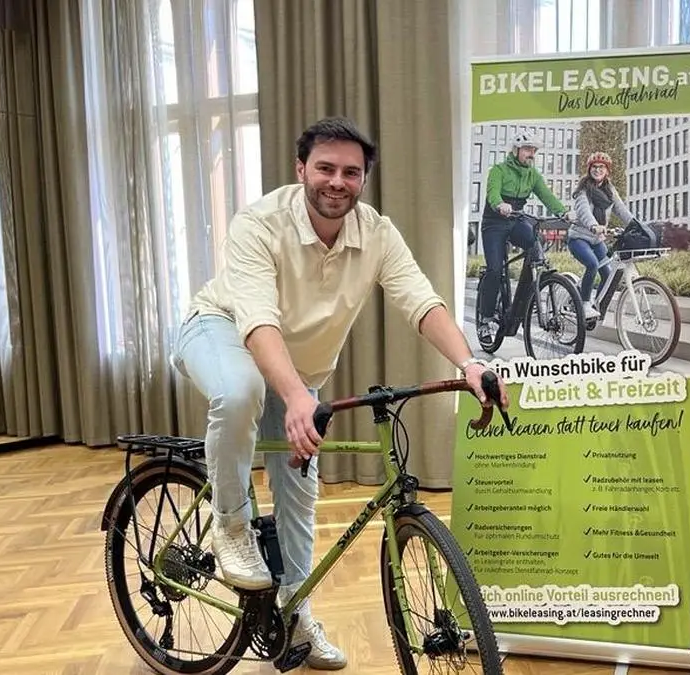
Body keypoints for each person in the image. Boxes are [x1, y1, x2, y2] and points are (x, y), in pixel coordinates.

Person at [171, 116, 506, 670]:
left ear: (363, 179)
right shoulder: (259, 223)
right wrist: (296, 396)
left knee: (299, 498)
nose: (337, 181)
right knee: (240, 389)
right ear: (301, 169)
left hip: (298, 371)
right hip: (221, 328)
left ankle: (295, 614)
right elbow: (257, 319)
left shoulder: (376, 233)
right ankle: (230, 525)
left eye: (351, 172)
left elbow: (421, 301)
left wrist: (469, 363)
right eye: (325, 168)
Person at [476, 131, 573, 341]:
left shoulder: (533, 175)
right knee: (495, 270)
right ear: (516, 150)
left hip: (516, 219)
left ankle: (528, 294)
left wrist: (563, 212)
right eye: (528, 149)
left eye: (534, 150)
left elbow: (546, 196)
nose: (532, 154)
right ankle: (485, 320)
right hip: (494, 223)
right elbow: (493, 193)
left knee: (536, 244)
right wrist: (499, 204)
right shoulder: (499, 170)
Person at [568, 151, 636, 319]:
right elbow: (584, 211)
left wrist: (637, 226)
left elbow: (621, 209)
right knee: (592, 264)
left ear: (607, 171)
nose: (598, 170)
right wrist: (593, 225)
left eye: (602, 167)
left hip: (597, 240)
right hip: (579, 238)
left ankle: (596, 306)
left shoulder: (610, 190)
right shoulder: (583, 190)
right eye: (594, 167)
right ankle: (584, 305)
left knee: (608, 274)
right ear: (589, 169)